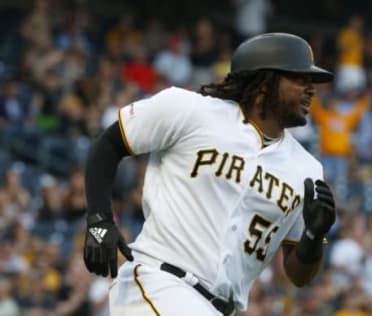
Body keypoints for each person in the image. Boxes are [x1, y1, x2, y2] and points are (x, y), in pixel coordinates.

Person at [83, 32, 336, 315]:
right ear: (265, 82)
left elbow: (298, 275)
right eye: (299, 78)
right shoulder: (192, 110)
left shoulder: (307, 170)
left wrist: (314, 235)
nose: (311, 89)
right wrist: (99, 219)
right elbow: (109, 144)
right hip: (160, 281)